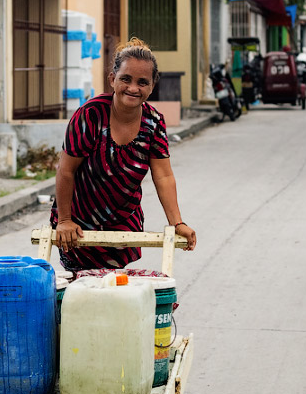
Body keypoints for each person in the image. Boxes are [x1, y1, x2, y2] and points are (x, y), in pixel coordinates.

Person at [52, 37, 197, 272]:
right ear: (112, 79)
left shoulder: (153, 122)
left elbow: (163, 176)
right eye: (125, 79)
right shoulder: (91, 115)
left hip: (122, 222)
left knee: (116, 291)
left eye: (142, 82)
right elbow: (66, 171)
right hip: (79, 222)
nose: (133, 88)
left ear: (152, 86)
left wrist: (177, 223)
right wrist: (65, 220)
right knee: (83, 290)